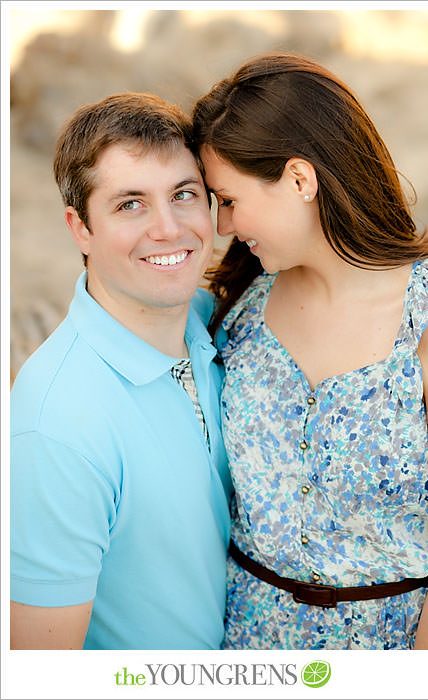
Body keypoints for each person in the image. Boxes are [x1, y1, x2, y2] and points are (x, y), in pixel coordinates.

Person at [192, 53, 428, 650]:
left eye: (229, 199)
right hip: (243, 647)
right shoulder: (239, 310)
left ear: (301, 180)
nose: (222, 226)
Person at [10, 93, 233, 650]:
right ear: (79, 228)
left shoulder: (224, 327)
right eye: (130, 204)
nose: (168, 228)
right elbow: (42, 674)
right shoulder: (58, 424)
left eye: (184, 195)